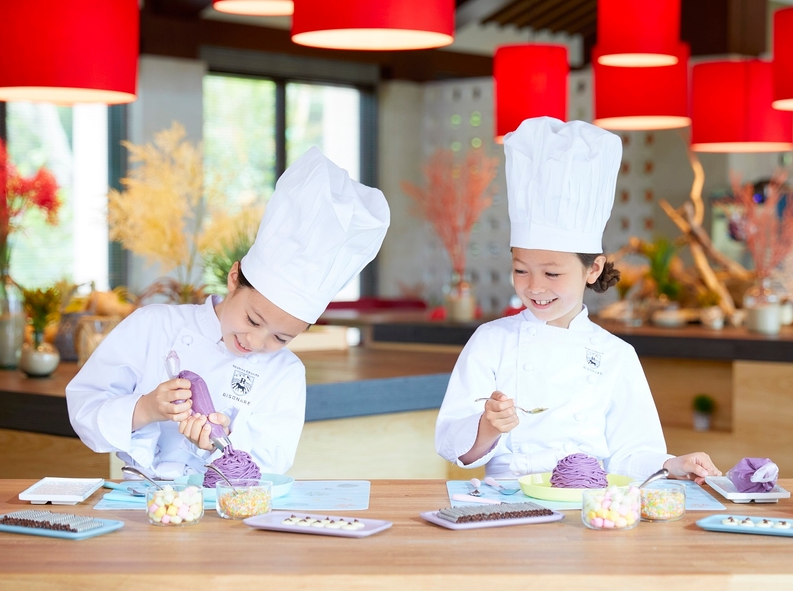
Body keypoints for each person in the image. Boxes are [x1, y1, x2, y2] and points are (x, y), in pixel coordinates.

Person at [67, 147, 390, 479]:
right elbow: (83, 409)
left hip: (229, 505)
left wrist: (222, 443)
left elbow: (272, 465)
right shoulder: (153, 325)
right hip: (141, 499)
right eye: (253, 320)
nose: (256, 342)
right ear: (234, 278)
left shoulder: (286, 373)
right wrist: (145, 409)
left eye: (281, 338)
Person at [434, 117, 720, 483]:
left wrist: (671, 464)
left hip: (588, 501)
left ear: (593, 269)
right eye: (521, 270)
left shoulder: (616, 354)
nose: (535, 287)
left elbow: (631, 453)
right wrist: (488, 426)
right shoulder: (491, 342)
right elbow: (453, 446)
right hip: (507, 497)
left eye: (552, 274)